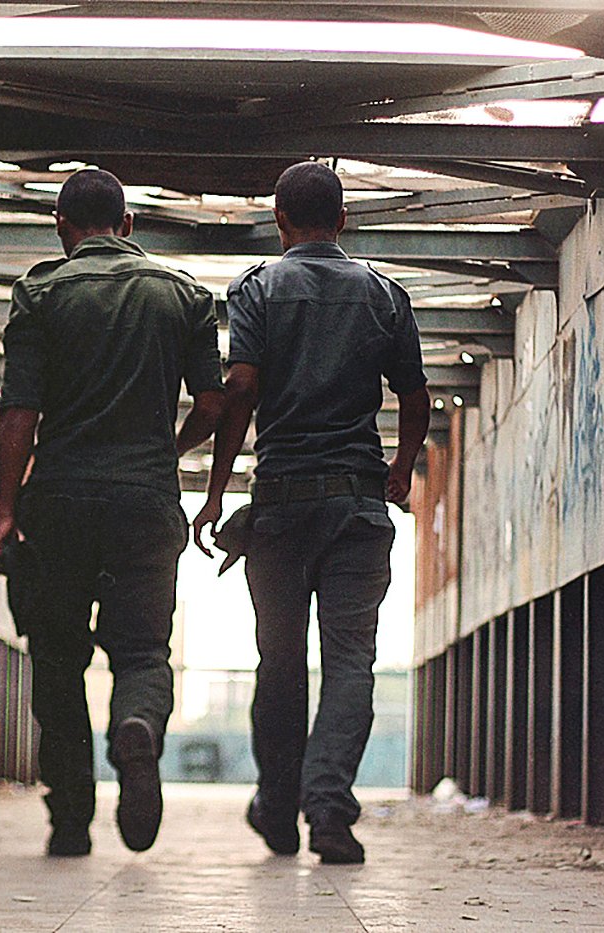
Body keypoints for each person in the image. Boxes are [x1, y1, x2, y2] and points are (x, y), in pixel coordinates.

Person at [193, 161, 430, 864]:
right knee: (351, 661)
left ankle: (275, 802)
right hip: (358, 507)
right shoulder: (384, 294)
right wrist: (400, 467)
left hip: (281, 512)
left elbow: (239, 391)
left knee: (280, 663)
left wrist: (214, 491)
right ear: (343, 221)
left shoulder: (259, 288)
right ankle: (328, 811)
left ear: (278, 219)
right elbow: (413, 400)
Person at [0, 169, 223, 857]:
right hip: (145, 502)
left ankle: (69, 819)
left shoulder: (38, 292)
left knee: (56, 656)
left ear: (61, 227)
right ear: (127, 225)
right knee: (144, 649)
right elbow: (212, 406)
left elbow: (19, 411)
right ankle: (138, 724)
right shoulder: (183, 295)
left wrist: (6, 510)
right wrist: (164, 451)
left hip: (58, 500)